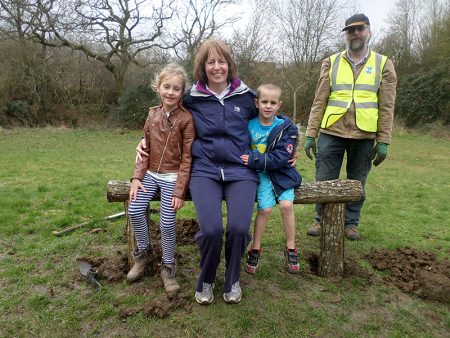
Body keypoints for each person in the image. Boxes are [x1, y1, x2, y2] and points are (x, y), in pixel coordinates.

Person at [137, 39, 260, 304]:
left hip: (241, 170)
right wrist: (145, 144)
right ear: (203, 66)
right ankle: (206, 278)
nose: (217, 67)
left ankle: (233, 277)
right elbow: (165, 117)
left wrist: (288, 147)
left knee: (238, 228)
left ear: (230, 64)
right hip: (204, 170)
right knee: (212, 230)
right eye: (210, 62)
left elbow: (275, 122)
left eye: (221, 61)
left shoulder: (247, 97)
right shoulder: (192, 98)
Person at [303, 13, 397, 241]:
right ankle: (320, 220)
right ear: (346, 34)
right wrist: (310, 134)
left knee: (356, 182)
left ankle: (351, 224)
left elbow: (387, 105)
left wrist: (383, 140)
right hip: (331, 131)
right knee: (324, 180)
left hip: (364, 134)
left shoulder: (383, 64)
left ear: (369, 31)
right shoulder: (331, 62)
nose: (355, 33)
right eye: (350, 30)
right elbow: (319, 100)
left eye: (360, 29)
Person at [126, 63, 195, 296]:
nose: (170, 92)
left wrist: (179, 190)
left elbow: (187, 157)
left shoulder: (186, 119)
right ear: (158, 87)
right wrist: (136, 177)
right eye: (166, 87)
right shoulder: (152, 114)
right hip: (151, 174)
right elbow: (143, 149)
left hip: (172, 176)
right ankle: (144, 254)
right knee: (135, 210)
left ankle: (168, 267)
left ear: (182, 92)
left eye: (176, 88)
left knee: (166, 224)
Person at [240, 84, 302, 275]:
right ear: (257, 103)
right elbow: (242, 148)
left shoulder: (284, 127)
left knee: (286, 205)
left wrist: (255, 159)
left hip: (282, 173)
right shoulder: (249, 125)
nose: (268, 106)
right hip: (261, 175)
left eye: (273, 103)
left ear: (279, 105)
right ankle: (255, 248)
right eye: (264, 102)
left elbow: (285, 154)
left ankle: (291, 246)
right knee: (264, 209)